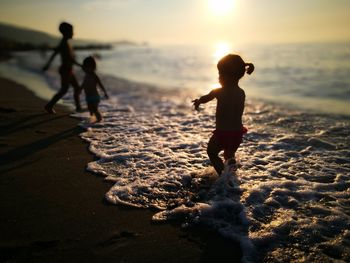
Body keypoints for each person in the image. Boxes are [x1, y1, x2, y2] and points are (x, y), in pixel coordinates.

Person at [192, 54, 254, 175]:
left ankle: (225, 177)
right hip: (237, 134)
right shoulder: (241, 92)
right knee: (229, 156)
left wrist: (198, 101)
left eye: (220, 74)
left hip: (223, 134)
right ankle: (232, 175)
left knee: (212, 153)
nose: (218, 78)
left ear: (226, 76)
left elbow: (206, 98)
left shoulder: (219, 91)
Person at [42, 22, 82, 113]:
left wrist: (47, 65)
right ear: (65, 32)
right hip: (65, 70)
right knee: (64, 89)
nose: (73, 33)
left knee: (76, 87)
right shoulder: (64, 43)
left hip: (69, 70)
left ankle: (78, 107)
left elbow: (55, 54)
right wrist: (81, 65)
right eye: (71, 31)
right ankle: (49, 105)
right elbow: (59, 55)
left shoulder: (66, 43)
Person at [81, 56, 108, 122]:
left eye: (88, 67)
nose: (86, 69)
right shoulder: (86, 75)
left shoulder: (94, 75)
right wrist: (80, 89)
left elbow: (100, 84)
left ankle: (100, 119)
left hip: (95, 96)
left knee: (94, 109)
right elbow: (84, 84)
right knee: (90, 109)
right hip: (88, 97)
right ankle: (93, 120)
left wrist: (105, 92)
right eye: (85, 67)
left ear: (93, 67)